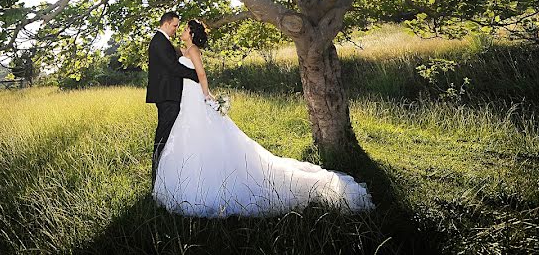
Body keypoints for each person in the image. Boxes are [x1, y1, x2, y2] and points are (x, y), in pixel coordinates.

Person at [152, 19, 375, 218]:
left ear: (190, 32)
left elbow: (200, 74)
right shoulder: (185, 50)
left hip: (195, 97)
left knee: (202, 133)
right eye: (177, 27)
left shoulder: (193, 51)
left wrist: (206, 95)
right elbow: (173, 62)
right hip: (186, 100)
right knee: (190, 135)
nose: (180, 30)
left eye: (184, 28)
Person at [146, 10, 200, 187]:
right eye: (175, 25)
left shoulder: (164, 42)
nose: (176, 29)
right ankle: (157, 177)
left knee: (168, 135)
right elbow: (173, 68)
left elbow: (174, 59)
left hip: (169, 94)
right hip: (167, 95)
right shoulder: (159, 42)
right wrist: (197, 74)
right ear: (167, 23)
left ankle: (165, 174)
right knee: (163, 136)